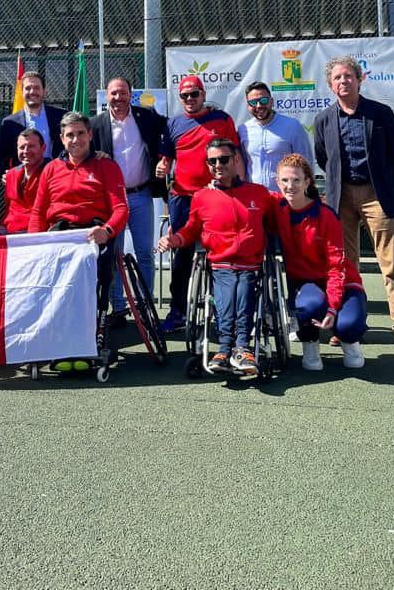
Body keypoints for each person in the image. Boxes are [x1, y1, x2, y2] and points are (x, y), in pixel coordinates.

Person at [314, 55, 394, 357]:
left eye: (348, 76)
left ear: (359, 80)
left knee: (392, 266)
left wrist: (382, 181)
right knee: (346, 267)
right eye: (337, 78)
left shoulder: (381, 113)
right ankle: (348, 327)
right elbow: (324, 160)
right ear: (330, 85)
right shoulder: (323, 120)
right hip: (341, 199)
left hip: (378, 196)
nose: (343, 81)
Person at [157, 139, 273, 375]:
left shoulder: (259, 194)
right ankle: (228, 348)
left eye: (223, 159)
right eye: (212, 161)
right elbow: (190, 230)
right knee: (228, 292)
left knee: (242, 290)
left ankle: (238, 347)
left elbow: (277, 220)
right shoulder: (201, 197)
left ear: (236, 160)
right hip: (220, 264)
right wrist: (174, 240)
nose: (218, 165)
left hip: (251, 264)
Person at [28, 111, 129, 372]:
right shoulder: (50, 169)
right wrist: (33, 244)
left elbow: (120, 209)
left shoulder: (106, 166)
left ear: (90, 135)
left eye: (80, 134)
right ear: (61, 139)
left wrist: (107, 230)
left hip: (93, 236)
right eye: (70, 135)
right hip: (59, 236)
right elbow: (38, 212)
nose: (76, 140)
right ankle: (59, 344)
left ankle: (91, 341)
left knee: (89, 284)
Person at [156, 75, 243, 333]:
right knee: (181, 255)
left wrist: (239, 188)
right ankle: (178, 311)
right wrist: (162, 167)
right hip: (182, 198)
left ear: (203, 95)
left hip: (217, 195)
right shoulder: (173, 124)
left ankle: (221, 310)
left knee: (221, 252)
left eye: (194, 94)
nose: (190, 99)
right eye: (185, 96)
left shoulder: (222, 119)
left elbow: (235, 157)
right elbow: (166, 160)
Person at [274, 154, 367, 371]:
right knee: (310, 305)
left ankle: (350, 341)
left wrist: (333, 308)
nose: (290, 186)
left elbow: (337, 266)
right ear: (277, 182)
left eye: (296, 180)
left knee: (348, 325)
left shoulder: (326, 215)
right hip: (306, 285)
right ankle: (310, 343)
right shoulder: (276, 209)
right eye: (285, 180)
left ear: (308, 182)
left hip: (342, 283)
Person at [90, 76, 165, 327]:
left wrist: (166, 159)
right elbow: (79, 152)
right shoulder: (96, 124)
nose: (118, 99)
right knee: (114, 255)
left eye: (123, 93)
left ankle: (145, 306)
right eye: (113, 94)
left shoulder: (148, 118)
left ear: (131, 95)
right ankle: (119, 309)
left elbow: (170, 136)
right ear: (106, 96)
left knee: (145, 253)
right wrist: (94, 156)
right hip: (111, 201)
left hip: (141, 195)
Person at [237, 81, 313, 190]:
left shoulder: (292, 126)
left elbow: (306, 162)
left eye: (263, 100)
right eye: (253, 102)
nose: (259, 106)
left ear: (271, 101)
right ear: (248, 106)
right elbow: (242, 164)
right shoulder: (243, 129)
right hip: (255, 196)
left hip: (286, 196)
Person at [0, 71, 66, 174]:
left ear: (44, 91)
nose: (32, 92)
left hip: (56, 177)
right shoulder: (9, 123)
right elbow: (0, 157)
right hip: (24, 181)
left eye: (36, 88)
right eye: (28, 88)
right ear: (22, 92)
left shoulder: (61, 117)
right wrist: (5, 175)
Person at [0, 129, 47, 234]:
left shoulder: (52, 173)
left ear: (43, 148)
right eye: (21, 147)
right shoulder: (11, 175)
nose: (25, 151)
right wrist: (2, 228)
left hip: (39, 235)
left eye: (31, 146)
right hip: (11, 235)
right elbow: (9, 208)